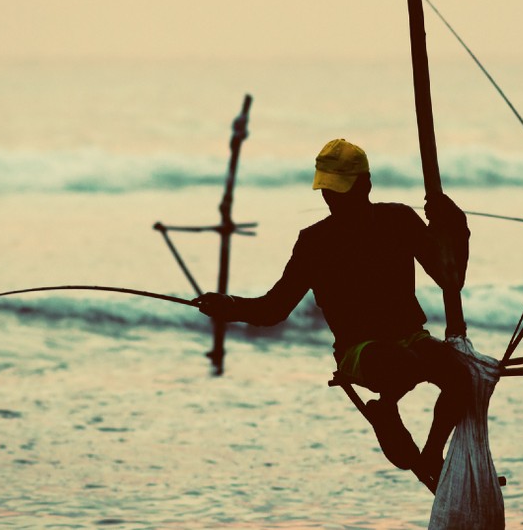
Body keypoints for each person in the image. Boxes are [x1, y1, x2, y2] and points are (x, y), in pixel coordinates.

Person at [195, 138, 471, 489]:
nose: (333, 200)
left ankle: (432, 452)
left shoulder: (399, 220)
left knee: (461, 376)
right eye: (328, 192)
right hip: (360, 352)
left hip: (411, 338)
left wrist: (455, 224)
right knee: (402, 362)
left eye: (342, 191)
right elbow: (274, 309)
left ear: (366, 184)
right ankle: (387, 407)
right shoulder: (314, 242)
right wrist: (230, 306)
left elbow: (451, 278)